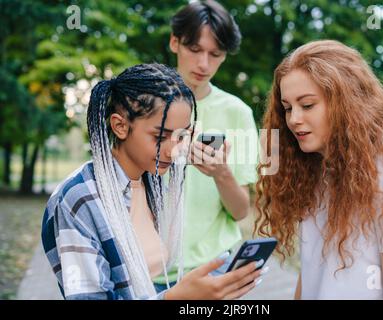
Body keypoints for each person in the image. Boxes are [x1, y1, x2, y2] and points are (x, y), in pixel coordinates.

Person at [41, 63, 264, 300]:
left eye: (182, 135)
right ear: (120, 126)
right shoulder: (78, 199)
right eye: (160, 137)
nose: (173, 150)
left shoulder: (154, 181)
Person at [255, 40, 383, 299]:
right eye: (288, 108)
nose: (294, 119)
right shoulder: (313, 175)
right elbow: (312, 277)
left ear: (346, 103)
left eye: (307, 105)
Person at [153, 0, 260, 292]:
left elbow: (240, 212)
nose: (204, 64)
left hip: (214, 267)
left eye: (216, 54)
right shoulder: (144, 104)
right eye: (195, 50)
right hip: (147, 269)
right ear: (175, 42)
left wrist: (221, 173)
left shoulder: (237, 113)